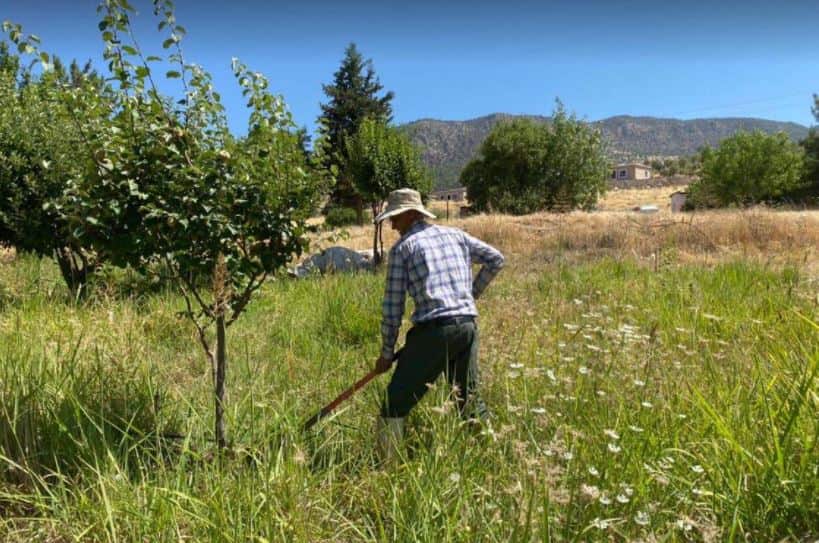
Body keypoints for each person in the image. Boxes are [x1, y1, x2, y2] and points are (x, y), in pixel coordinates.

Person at [373, 188, 505, 459]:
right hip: (467, 326)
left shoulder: (403, 249)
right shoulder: (456, 235)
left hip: (434, 332)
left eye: (395, 217)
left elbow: (393, 308)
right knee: (468, 400)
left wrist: (386, 353)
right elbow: (496, 259)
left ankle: (385, 470)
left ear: (410, 214)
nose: (392, 223)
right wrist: (470, 295)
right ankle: (496, 460)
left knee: (393, 404)